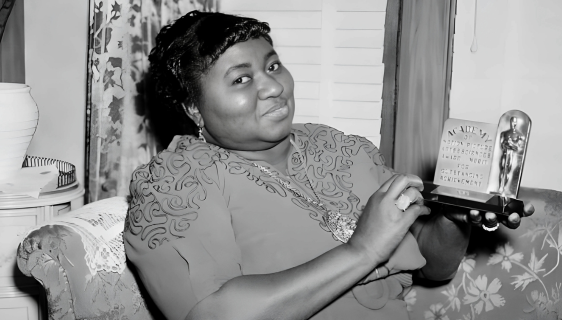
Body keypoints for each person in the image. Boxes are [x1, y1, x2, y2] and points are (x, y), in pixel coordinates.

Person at [123, 11, 533, 320]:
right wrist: (362, 250)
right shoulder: (176, 181)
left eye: (272, 65)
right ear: (193, 107)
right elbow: (210, 314)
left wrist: (453, 219)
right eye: (241, 79)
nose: (273, 86)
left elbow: (436, 267)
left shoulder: (336, 147)